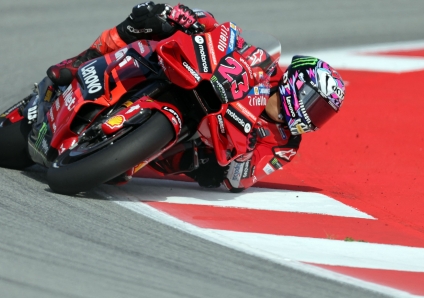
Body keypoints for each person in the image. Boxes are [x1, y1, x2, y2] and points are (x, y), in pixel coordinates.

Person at [47, 2, 346, 192]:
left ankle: (114, 151)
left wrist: (242, 157)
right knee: (150, 18)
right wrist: (195, 20)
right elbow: (228, 36)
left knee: (203, 170)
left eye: (323, 114)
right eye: (313, 102)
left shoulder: (286, 145)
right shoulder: (266, 66)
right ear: (297, 83)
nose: (313, 116)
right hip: (197, 81)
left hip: (202, 146)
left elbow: (244, 179)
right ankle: (80, 60)